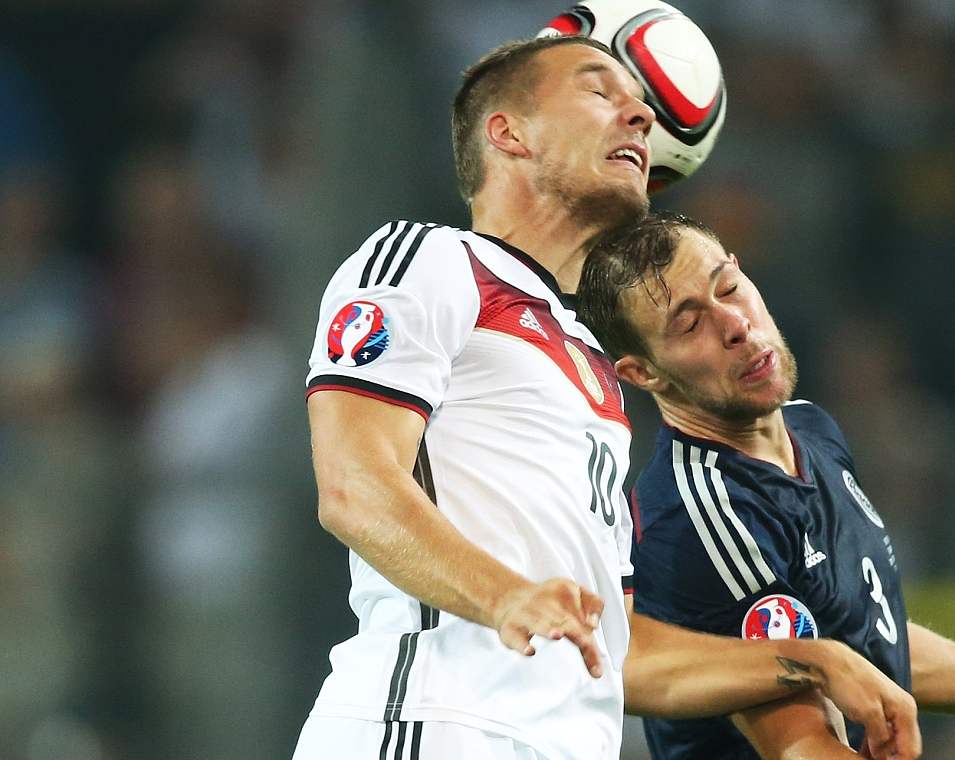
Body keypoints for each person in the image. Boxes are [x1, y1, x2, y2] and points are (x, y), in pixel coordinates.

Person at [294, 36, 921, 760]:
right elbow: (354, 487)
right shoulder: (431, 259)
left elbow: (626, 651)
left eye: (640, 103)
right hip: (431, 725)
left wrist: (815, 660)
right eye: (601, 92)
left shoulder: (593, 364)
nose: (642, 115)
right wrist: (504, 595)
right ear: (509, 133)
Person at [576, 211, 955, 759]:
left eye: (728, 288)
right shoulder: (705, 519)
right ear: (641, 372)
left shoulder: (811, 427)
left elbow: (862, 634)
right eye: (689, 323)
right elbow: (800, 742)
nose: (734, 324)